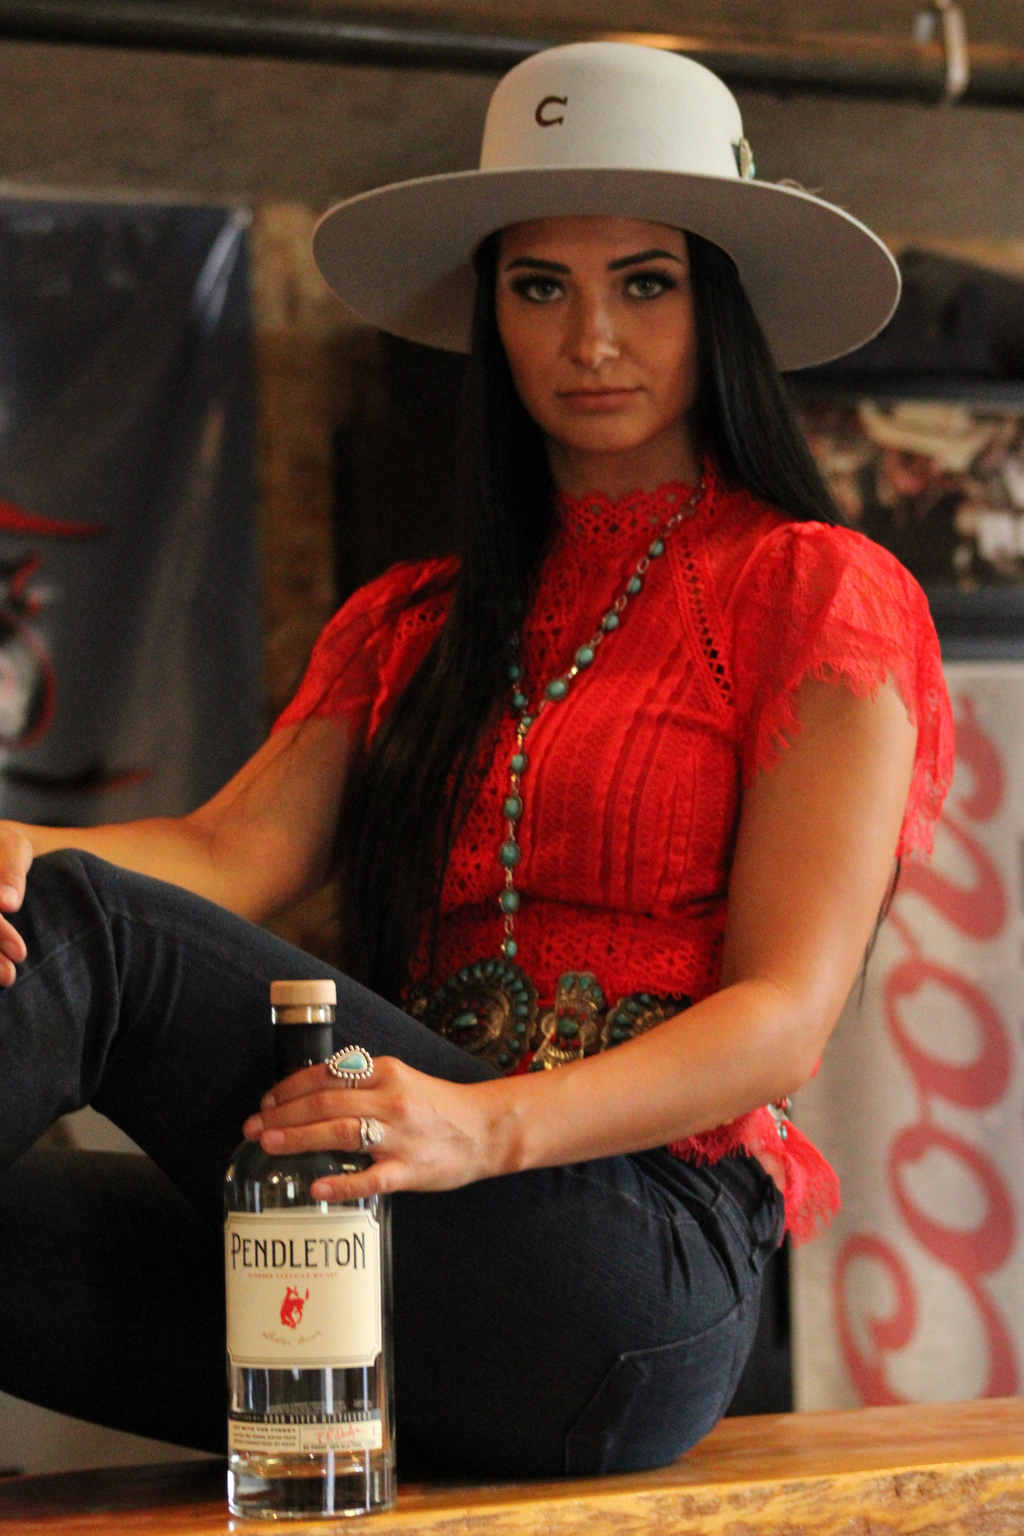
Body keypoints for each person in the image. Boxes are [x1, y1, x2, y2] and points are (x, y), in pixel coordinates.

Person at [0, 42, 951, 1477]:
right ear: (489, 316)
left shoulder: (816, 590)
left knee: (82, 929)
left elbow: (784, 1020)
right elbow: (222, 855)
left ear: (719, 305)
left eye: (645, 282)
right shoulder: (409, 622)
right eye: (538, 287)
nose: (591, 341)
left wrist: (481, 1131)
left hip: (626, 1274)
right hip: (384, 1251)